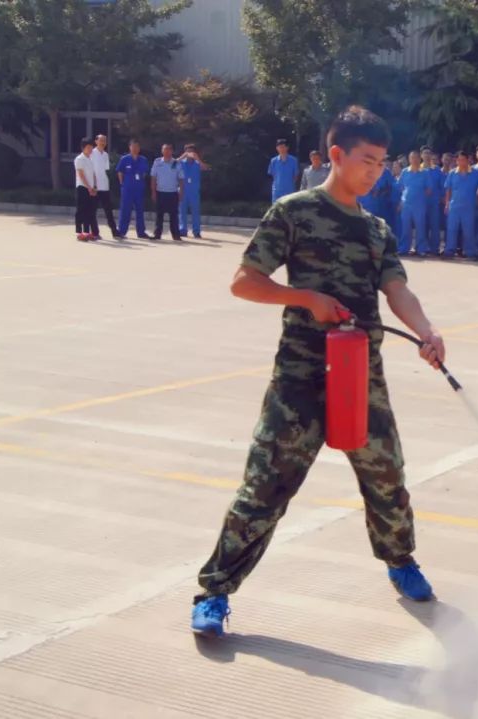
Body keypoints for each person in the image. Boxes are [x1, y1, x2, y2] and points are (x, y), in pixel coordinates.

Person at [190, 106, 446, 639]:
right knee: (265, 485)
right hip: (301, 376)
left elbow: (398, 289)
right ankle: (215, 591)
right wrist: (305, 297)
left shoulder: (376, 229)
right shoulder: (294, 211)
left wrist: (426, 331)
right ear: (337, 154)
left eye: (382, 163)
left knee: (387, 478)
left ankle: (401, 560)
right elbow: (245, 281)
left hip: (361, 376)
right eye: (368, 161)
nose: (376, 172)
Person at [443, 151, 478, 259]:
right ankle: (449, 251)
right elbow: (448, 189)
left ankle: (470, 252)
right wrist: (447, 203)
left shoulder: (475, 173)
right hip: (454, 206)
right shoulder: (452, 173)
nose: (461, 162)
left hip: (469, 206)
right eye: (459, 160)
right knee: (451, 229)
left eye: (463, 160)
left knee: (468, 230)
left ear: (468, 160)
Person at [396, 150, 431, 255]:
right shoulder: (405, 172)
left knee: (420, 227)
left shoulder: (425, 172)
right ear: (409, 159)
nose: (414, 160)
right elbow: (400, 187)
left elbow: (429, 189)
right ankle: (404, 248)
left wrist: (419, 196)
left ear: (419, 158)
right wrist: (403, 199)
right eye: (412, 157)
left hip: (419, 205)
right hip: (406, 205)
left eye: (416, 157)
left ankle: (421, 249)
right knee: (405, 228)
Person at [116, 139, 151, 239]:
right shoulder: (124, 159)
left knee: (140, 211)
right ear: (129, 147)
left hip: (139, 189)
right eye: (133, 146)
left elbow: (144, 173)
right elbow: (120, 173)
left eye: (137, 147)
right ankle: (122, 231)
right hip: (127, 189)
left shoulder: (143, 159)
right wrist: (122, 184)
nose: (135, 149)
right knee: (125, 210)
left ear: (139, 148)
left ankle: (141, 232)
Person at [151, 144, 184, 241]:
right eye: (165, 150)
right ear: (162, 151)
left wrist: (181, 191)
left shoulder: (176, 163)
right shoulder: (157, 162)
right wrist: (153, 192)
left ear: (172, 151)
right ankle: (157, 234)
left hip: (173, 193)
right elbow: (153, 178)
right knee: (159, 215)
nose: (167, 151)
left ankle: (176, 235)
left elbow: (181, 179)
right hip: (160, 192)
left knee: (174, 215)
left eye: (169, 150)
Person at [91, 134, 120, 238]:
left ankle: (114, 231)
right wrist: (92, 185)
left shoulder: (106, 155)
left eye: (104, 141)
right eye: (101, 140)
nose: (103, 142)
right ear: (96, 141)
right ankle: (95, 233)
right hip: (94, 187)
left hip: (105, 186)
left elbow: (106, 170)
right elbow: (90, 170)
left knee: (108, 211)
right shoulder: (91, 153)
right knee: (93, 211)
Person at [179, 144, 207, 239]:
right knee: (182, 212)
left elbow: (205, 168)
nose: (190, 153)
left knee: (195, 212)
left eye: (192, 151)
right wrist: (183, 156)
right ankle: (183, 230)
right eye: (188, 151)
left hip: (194, 192)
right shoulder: (181, 163)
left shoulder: (197, 163)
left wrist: (197, 159)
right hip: (183, 190)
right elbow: (172, 164)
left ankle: (196, 231)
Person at [73, 138, 99, 242]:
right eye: (88, 147)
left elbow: (93, 174)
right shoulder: (79, 159)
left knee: (90, 211)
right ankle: (79, 233)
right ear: (83, 148)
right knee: (81, 210)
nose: (90, 149)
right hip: (82, 187)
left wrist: (95, 187)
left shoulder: (91, 159)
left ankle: (87, 232)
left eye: (91, 147)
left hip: (91, 188)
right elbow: (81, 175)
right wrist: (89, 187)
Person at [422, 147, 444, 257]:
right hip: (420, 202)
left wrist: (441, 198)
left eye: (428, 153)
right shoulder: (417, 169)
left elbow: (442, 186)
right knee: (422, 225)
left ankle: (434, 249)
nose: (426, 155)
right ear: (421, 155)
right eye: (424, 153)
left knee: (434, 225)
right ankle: (422, 247)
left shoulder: (437, 170)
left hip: (434, 202)